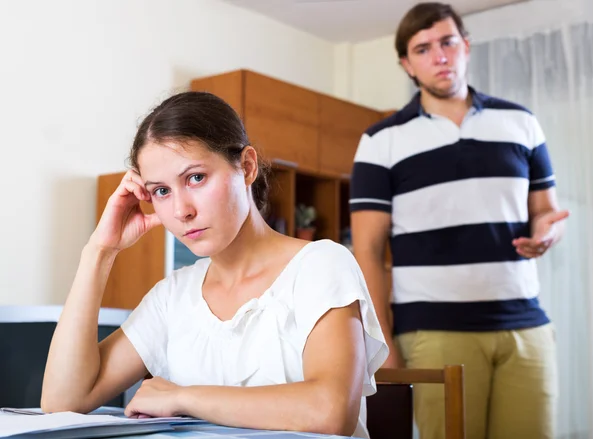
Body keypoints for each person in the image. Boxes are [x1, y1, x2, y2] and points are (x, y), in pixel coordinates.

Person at [41, 91, 388, 438]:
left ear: (247, 167)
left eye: (195, 178)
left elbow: (329, 411)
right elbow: (62, 400)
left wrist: (183, 397)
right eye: (161, 191)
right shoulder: (172, 296)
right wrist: (99, 252)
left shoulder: (321, 265)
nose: (181, 210)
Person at [350, 3, 569, 439]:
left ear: (466, 46)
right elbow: (369, 252)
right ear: (407, 64)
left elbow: (547, 212)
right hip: (434, 332)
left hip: (525, 327)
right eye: (423, 48)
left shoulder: (521, 123)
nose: (440, 56)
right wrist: (384, 345)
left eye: (448, 42)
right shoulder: (380, 142)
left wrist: (547, 233)